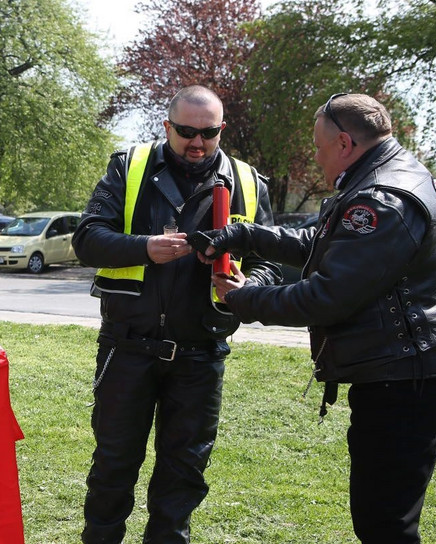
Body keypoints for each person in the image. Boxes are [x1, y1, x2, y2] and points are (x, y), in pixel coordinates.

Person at [195, 93, 436, 544]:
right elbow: (320, 240)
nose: (316, 155)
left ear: (344, 143)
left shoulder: (381, 200)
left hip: (404, 384)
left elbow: (327, 297)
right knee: (384, 517)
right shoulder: (385, 175)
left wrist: (247, 298)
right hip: (402, 375)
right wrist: (246, 233)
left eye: (319, 146)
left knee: (386, 523)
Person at [73, 85, 279, 544]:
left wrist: (252, 286)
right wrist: (145, 248)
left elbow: (270, 261)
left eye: (208, 133)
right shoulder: (129, 168)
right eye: (186, 131)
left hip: (201, 352)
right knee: (113, 465)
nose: (197, 143)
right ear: (166, 126)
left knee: (184, 474)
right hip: (128, 345)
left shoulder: (247, 180)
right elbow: (86, 240)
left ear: (221, 129)